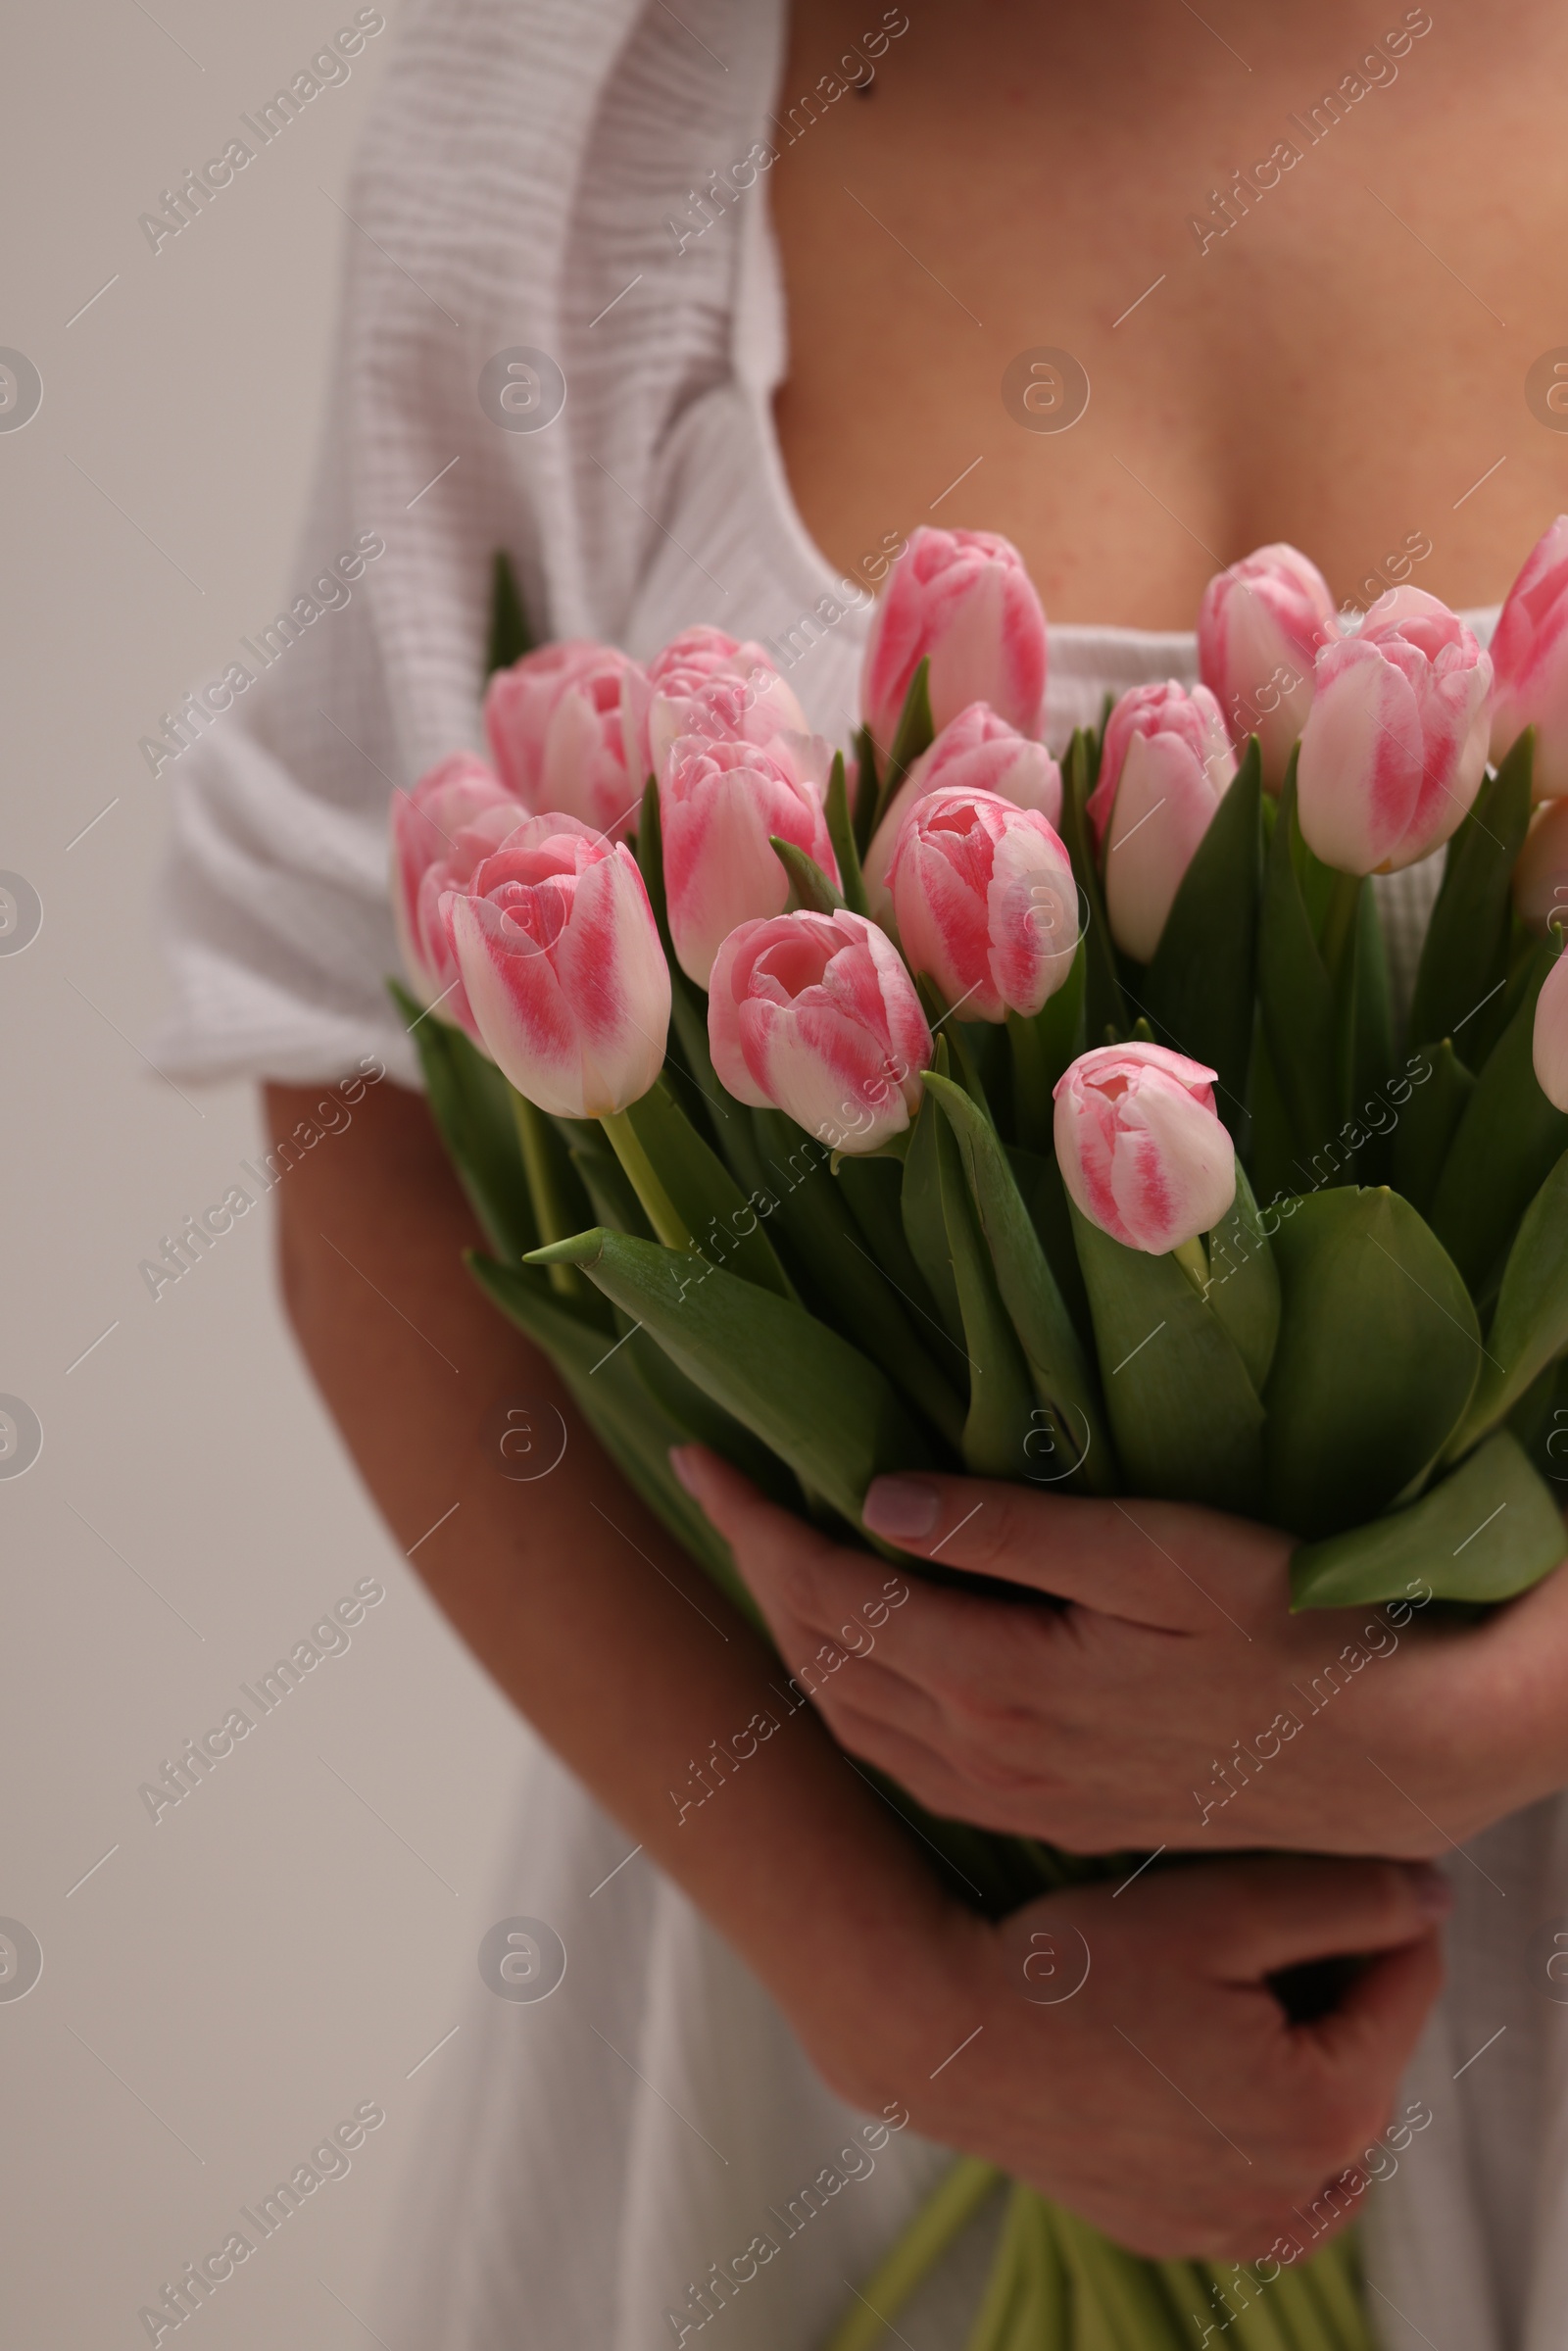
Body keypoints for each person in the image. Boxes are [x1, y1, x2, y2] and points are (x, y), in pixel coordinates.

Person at [154, 3, 1568, 2344]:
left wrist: (1500, 1721)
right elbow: (362, 1119)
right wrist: (918, 2004)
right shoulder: (572, 98)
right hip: (829, 1986)